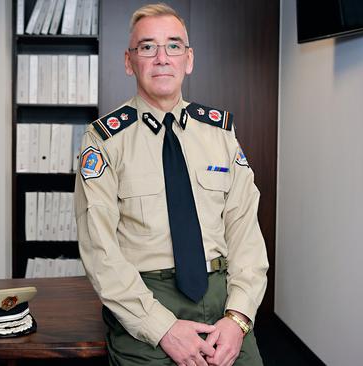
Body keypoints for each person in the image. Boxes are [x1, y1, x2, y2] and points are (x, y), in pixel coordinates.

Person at [73, 3, 269, 366]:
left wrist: (238, 318)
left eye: (174, 46)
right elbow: (100, 251)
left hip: (222, 297)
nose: (162, 58)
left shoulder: (220, 134)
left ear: (188, 59)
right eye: (147, 47)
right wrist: (161, 328)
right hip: (146, 301)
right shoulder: (103, 141)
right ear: (130, 62)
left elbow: (245, 233)